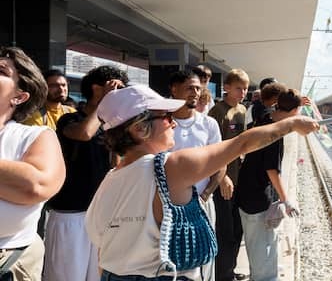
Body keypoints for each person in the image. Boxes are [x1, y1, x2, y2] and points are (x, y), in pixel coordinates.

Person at [84, 84, 319, 280]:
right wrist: (292, 124)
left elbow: (102, 256)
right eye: (166, 117)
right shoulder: (170, 168)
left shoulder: (108, 182)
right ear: (139, 129)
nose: (174, 122)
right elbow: (241, 144)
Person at [43, 65, 128, 281]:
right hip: (69, 215)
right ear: (96, 89)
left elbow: (116, 166)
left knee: (97, 276)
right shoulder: (69, 119)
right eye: (113, 89)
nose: (117, 95)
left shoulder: (111, 124)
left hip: (100, 215)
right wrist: (104, 105)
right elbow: (83, 134)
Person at [0, 47, 65, 280]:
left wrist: (19, 181)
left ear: (19, 96)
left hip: (8, 261)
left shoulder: (35, 137)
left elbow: (35, 185)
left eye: (1, 70)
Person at [234, 84, 301, 281]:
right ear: (295, 111)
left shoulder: (264, 119)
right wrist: (285, 199)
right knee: (263, 253)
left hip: (246, 194)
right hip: (258, 200)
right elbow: (271, 170)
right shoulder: (275, 134)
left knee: (256, 248)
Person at [168, 70, 224, 281]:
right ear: (174, 89)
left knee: (203, 257)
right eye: (190, 88)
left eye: (198, 89)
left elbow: (221, 164)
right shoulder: (162, 123)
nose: (196, 93)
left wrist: (205, 196)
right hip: (167, 205)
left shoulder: (208, 124)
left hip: (201, 203)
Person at [207, 69, 250, 281]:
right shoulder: (218, 112)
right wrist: (222, 177)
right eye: (239, 88)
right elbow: (213, 149)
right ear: (226, 88)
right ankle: (222, 275)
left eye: (246, 88)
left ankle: (229, 271)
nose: (243, 92)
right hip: (223, 181)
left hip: (238, 179)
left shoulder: (242, 110)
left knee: (236, 230)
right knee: (225, 231)